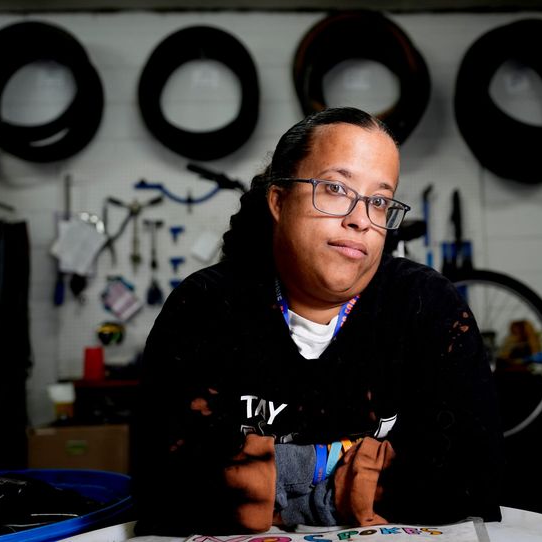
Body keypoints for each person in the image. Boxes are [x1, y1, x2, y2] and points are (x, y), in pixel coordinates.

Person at [131, 107, 504, 536]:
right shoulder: (205, 309)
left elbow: (474, 479)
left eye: (379, 201)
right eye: (335, 189)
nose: (360, 219)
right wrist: (359, 480)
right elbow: (164, 488)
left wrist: (260, 481)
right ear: (278, 199)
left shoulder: (427, 308)